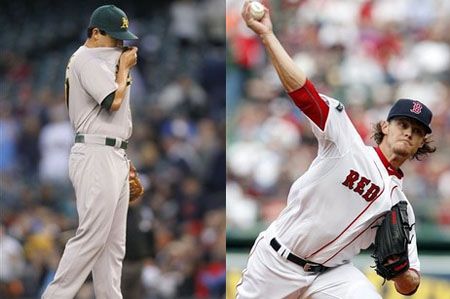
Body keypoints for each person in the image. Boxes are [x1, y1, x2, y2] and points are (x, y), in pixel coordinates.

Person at [237, 1, 436, 298]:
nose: (409, 132)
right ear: (384, 126)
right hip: (276, 262)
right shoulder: (346, 142)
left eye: (417, 131)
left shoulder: (399, 204)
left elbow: (411, 285)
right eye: (403, 124)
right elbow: (305, 95)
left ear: (422, 144)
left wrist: (401, 271)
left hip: (331, 275)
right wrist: (267, 35)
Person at [42, 5, 139, 299]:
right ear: (96, 34)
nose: (121, 44)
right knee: (92, 238)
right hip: (96, 153)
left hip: (113, 153)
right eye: (115, 38)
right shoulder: (85, 59)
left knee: (113, 245)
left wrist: (123, 157)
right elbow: (113, 101)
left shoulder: (102, 58)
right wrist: (123, 68)